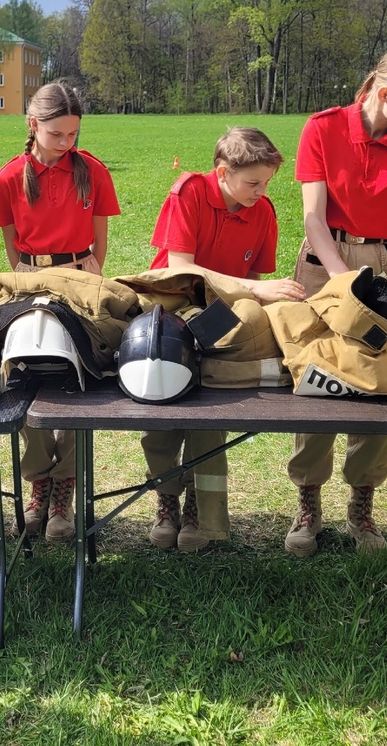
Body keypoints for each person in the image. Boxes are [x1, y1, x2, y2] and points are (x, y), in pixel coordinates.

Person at [283, 44, 387, 558]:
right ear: (384, 93)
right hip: (326, 260)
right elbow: (313, 217)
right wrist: (342, 286)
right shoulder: (323, 128)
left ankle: (362, 505)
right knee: (319, 377)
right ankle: (308, 503)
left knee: (381, 381)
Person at [143, 127, 304, 552]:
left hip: (222, 318)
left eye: (267, 182)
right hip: (171, 310)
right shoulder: (189, 193)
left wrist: (255, 297)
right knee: (159, 409)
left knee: (211, 405)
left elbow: (251, 281)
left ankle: (202, 507)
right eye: (253, 182)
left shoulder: (263, 211)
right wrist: (257, 291)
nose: (261, 191)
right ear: (222, 172)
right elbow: (181, 270)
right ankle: (167, 498)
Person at [0, 81, 120, 543]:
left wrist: (93, 273)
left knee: (76, 378)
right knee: (28, 375)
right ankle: (37, 481)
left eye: (73, 135)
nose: (67, 144)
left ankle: (65, 484)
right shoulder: (9, 177)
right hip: (30, 279)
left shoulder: (92, 172)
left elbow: (100, 235)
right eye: (57, 134)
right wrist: (26, 275)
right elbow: (10, 245)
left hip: (81, 277)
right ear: (33, 125)